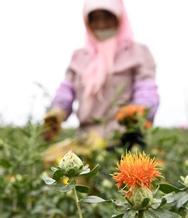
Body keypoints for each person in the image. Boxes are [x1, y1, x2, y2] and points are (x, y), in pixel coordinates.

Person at [42, 0, 159, 152]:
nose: (101, 24)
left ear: (119, 18)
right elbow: (66, 91)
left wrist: (137, 111)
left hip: (123, 139)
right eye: (95, 19)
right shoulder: (80, 57)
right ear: (87, 22)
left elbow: (147, 90)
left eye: (107, 17)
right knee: (52, 160)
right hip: (86, 138)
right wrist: (56, 112)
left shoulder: (137, 52)